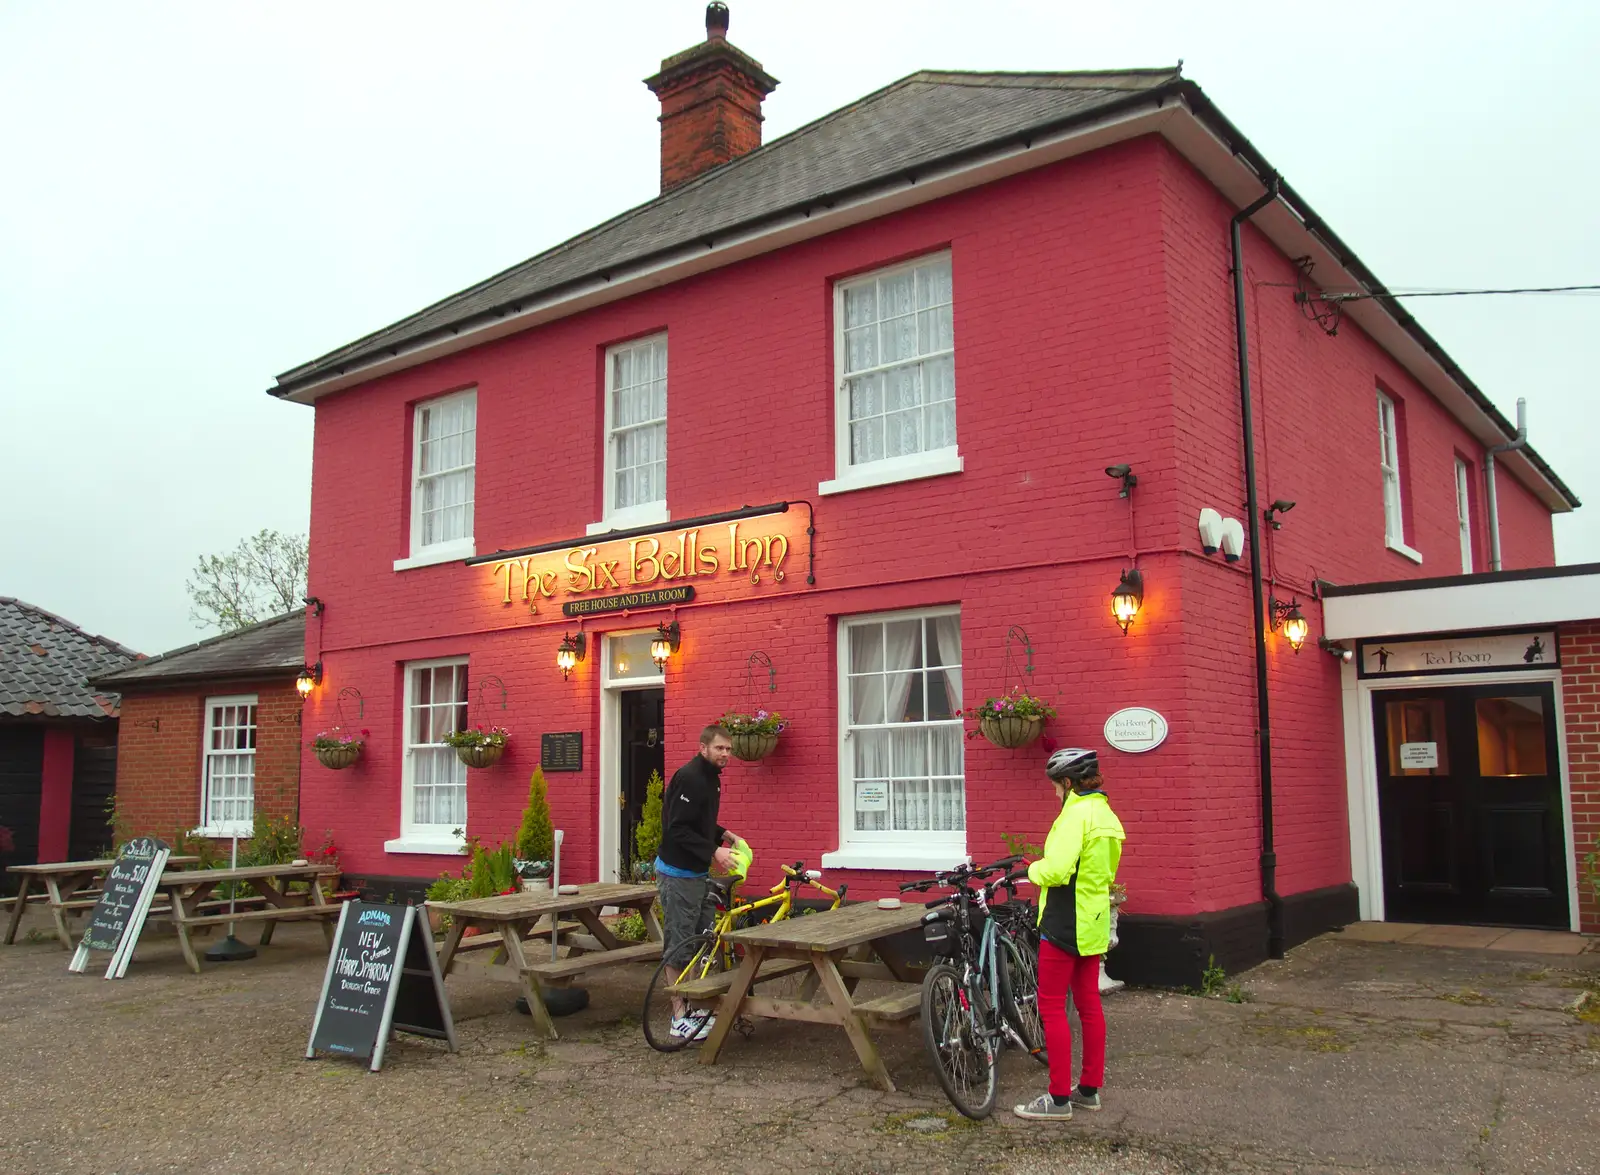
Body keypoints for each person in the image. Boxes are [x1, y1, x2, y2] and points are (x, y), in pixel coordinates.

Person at [1014, 747, 1126, 1121]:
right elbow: (1106, 873)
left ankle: (1058, 1098)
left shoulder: (1074, 815)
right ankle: (1089, 1090)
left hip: (1064, 920)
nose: (1054, 794)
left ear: (1067, 783)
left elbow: (1058, 870)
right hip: (1093, 918)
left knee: (1049, 1005)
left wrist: (1031, 871)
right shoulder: (1107, 815)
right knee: (1088, 1004)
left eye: (1055, 786)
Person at [655, 723, 740, 1042]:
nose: (725, 754)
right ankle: (678, 1015)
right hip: (677, 875)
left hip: (697, 874)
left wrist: (723, 834)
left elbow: (698, 822)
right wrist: (715, 851)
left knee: (700, 941)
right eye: (719, 748)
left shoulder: (711, 780)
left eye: (729, 749)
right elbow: (677, 828)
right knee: (679, 944)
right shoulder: (690, 777)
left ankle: (693, 1005)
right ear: (703, 747)